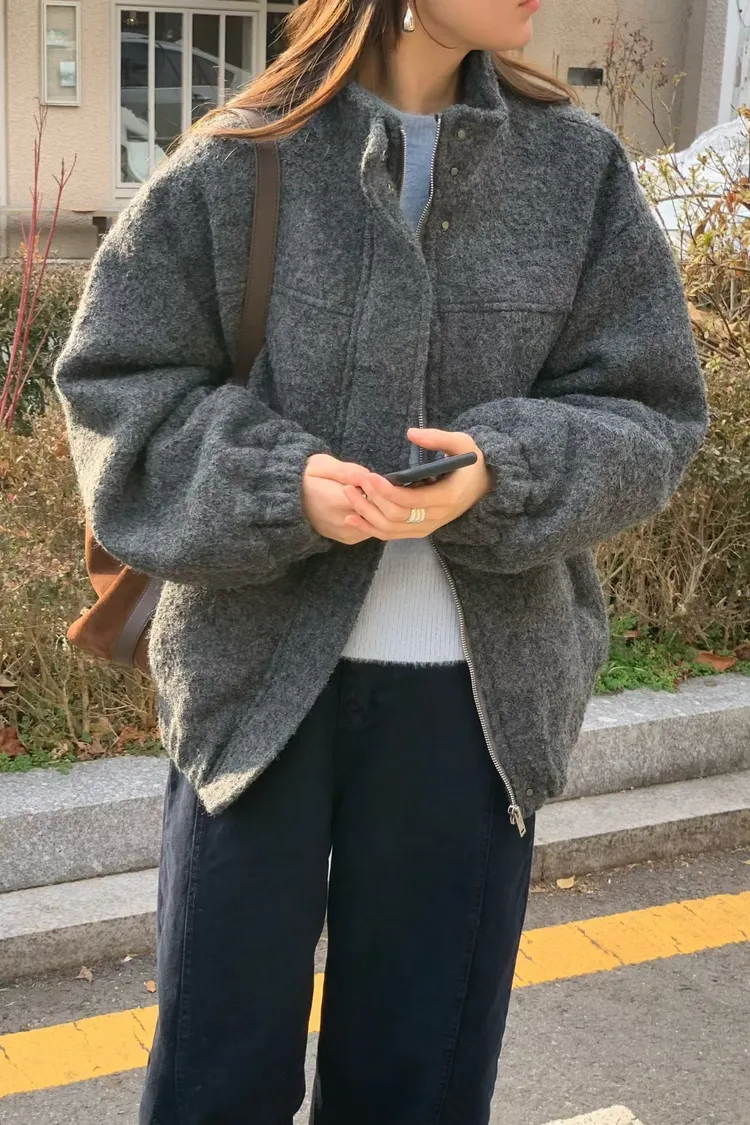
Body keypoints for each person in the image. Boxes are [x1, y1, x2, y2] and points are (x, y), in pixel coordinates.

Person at [54, 1, 708, 1122]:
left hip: (480, 711)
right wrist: (280, 486)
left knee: (420, 1085)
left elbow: (651, 410)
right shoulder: (239, 160)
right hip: (254, 698)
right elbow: (117, 389)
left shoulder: (575, 169)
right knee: (217, 1079)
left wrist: (501, 470)